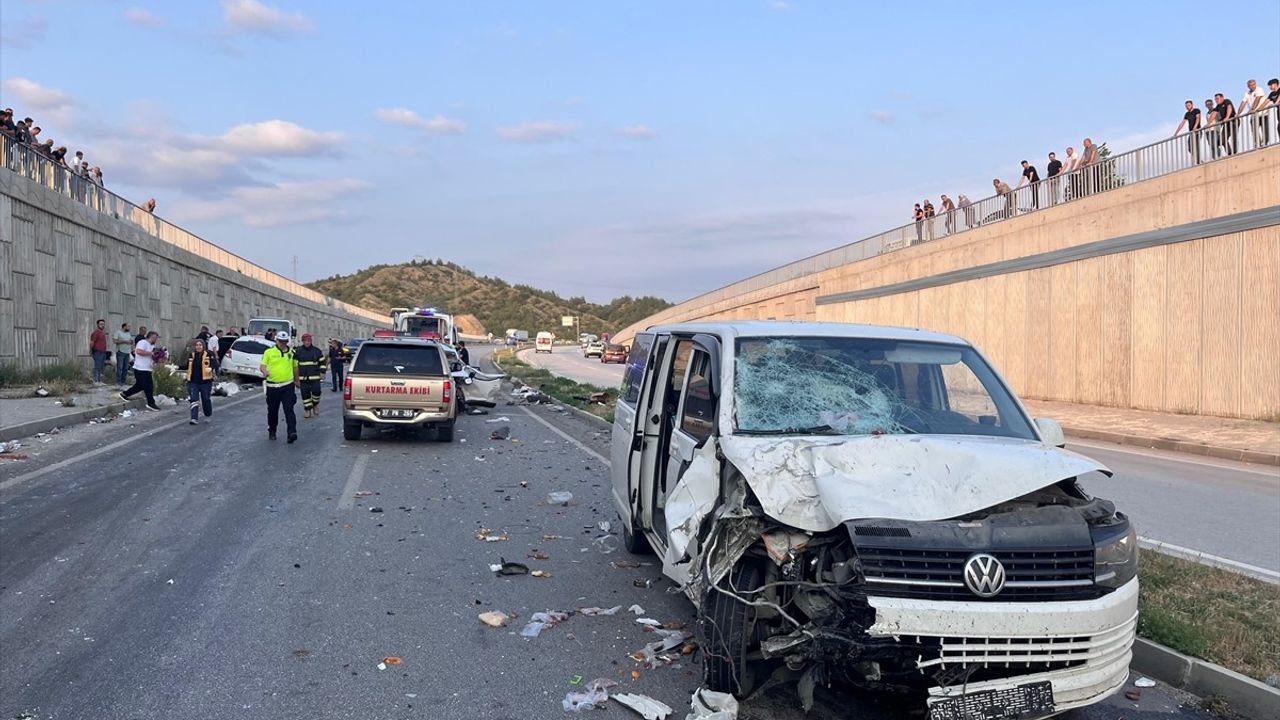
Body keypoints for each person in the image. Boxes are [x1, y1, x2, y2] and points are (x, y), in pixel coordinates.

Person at [259, 331, 299, 443]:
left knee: (289, 409)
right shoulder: (269, 352)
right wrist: (264, 372)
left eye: (285, 341)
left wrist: (297, 380)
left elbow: (295, 367)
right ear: (276, 340)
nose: (283, 344)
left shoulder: (292, 352)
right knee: (273, 411)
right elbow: (262, 365)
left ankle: (292, 432)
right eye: (281, 341)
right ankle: (272, 430)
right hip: (272, 386)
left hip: (288, 386)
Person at [120, 331, 161, 411]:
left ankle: (125, 394)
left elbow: (151, 356)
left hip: (147, 368)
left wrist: (158, 358)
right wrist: (151, 353)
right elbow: (138, 351)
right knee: (148, 387)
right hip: (140, 368)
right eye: (155, 338)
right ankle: (151, 403)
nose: (156, 340)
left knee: (140, 386)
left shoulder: (152, 346)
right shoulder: (142, 342)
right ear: (152, 337)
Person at [186, 338, 218, 425]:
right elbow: (187, 366)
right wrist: (176, 367)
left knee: (206, 399)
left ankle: (207, 415)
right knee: (193, 399)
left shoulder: (209, 354)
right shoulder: (192, 355)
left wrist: (211, 368)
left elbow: (215, 363)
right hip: (193, 381)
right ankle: (194, 418)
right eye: (197, 345)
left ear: (203, 346)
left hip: (206, 382)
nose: (198, 347)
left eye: (200, 345)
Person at [294, 333, 327, 419]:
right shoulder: (298, 351)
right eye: (305, 341)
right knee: (305, 394)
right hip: (303, 377)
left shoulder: (317, 351)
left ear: (311, 341)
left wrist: (323, 372)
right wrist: (296, 379)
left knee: (317, 391)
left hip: (315, 376)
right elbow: (294, 365)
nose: (307, 342)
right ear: (303, 341)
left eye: (308, 341)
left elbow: (322, 362)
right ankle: (307, 410)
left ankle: (315, 404)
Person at [1173, 100, 1202, 164]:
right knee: (1190, 148)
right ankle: (1199, 160)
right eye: (1186, 106)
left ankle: (1198, 162)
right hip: (1191, 133)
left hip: (1197, 131)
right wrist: (1176, 133)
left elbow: (1198, 118)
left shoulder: (1196, 110)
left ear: (1192, 105)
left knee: (1196, 146)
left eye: (1188, 105)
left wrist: (1195, 127)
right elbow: (1182, 123)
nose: (1187, 107)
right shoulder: (1187, 114)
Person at [89, 318, 109, 384]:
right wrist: (91, 350)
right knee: (97, 366)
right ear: (97, 325)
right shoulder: (96, 333)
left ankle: (99, 381)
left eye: (103, 324)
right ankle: (95, 381)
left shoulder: (102, 333)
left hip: (103, 352)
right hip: (97, 352)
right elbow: (92, 342)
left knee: (101, 367)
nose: (102, 325)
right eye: (101, 324)